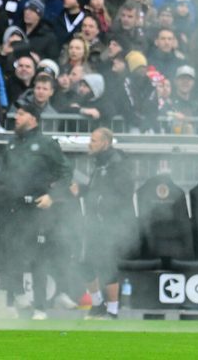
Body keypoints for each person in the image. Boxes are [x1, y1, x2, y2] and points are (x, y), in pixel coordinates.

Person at [0, 100, 70, 320]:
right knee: (10, 254)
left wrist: (52, 197)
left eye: (21, 113)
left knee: (39, 258)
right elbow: (6, 177)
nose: (16, 117)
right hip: (13, 208)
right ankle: (17, 297)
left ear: (33, 119)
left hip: (37, 208)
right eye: (16, 113)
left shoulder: (47, 144)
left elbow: (66, 172)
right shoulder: (11, 145)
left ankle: (40, 308)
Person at [75, 127, 134, 320]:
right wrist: (81, 190)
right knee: (84, 263)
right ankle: (98, 304)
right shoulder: (100, 163)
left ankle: (113, 311)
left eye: (93, 140)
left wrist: (103, 207)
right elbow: (96, 189)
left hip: (108, 224)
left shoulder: (117, 163)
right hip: (92, 222)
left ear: (105, 143)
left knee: (106, 265)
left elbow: (124, 193)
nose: (89, 144)